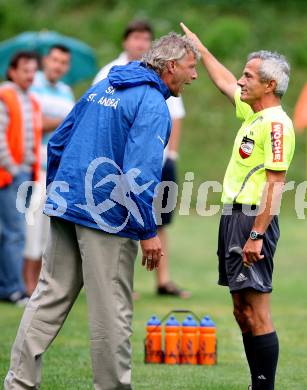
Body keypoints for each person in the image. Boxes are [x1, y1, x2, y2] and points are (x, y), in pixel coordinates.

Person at [4, 32, 199, 389]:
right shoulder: (154, 103)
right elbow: (139, 174)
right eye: (191, 67)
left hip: (66, 205)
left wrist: (62, 192)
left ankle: (18, 383)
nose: (195, 75)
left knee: (48, 297)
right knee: (112, 313)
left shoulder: (104, 86)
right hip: (107, 218)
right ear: (171, 67)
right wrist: (148, 232)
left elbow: (60, 139)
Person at [181, 23, 295, 389]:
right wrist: (200, 49)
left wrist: (257, 234)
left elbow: (275, 183)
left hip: (251, 221)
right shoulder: (254, 114)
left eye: (249, 75)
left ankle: (264, 387)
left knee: (257, 311)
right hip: (233, 217)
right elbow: (225, 82)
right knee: (241, 311)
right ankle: (255, 382)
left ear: (269, 85)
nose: (242, 81)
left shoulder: (276, 124)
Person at [94, 19, 190, 298]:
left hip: (157, 160)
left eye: (146, 38)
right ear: (125, 41)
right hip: (120, 164)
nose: (141, 43)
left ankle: (163, 279)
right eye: (136, 38)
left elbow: (177, 114)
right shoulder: (109, 72)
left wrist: (171, 153)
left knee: (159, 220)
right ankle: (123, 283)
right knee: (122, 217)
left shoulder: (163, 73)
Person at [23, 44, 74, 295]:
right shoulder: (33, 87)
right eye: (55, 60)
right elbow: (33, 123)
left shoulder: (66, 92)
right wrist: (64, 121)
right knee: (32, 227)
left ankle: (42, 286)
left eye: (63, 62)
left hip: (57, 171)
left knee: (47, 231)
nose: (58, 66)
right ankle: (26, 283)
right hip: (34, 168)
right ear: (46, 61)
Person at [0, 51, 41, 306]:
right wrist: (12, 168)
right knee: (14, 232)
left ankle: (7, 285)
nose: (29, 75)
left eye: (33, 70)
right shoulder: (6, 96)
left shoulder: (31, 100)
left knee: (12, 231)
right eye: (25, 69)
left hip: (27, 173)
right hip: (10, 175)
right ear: (12, 71)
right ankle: (14, 288)